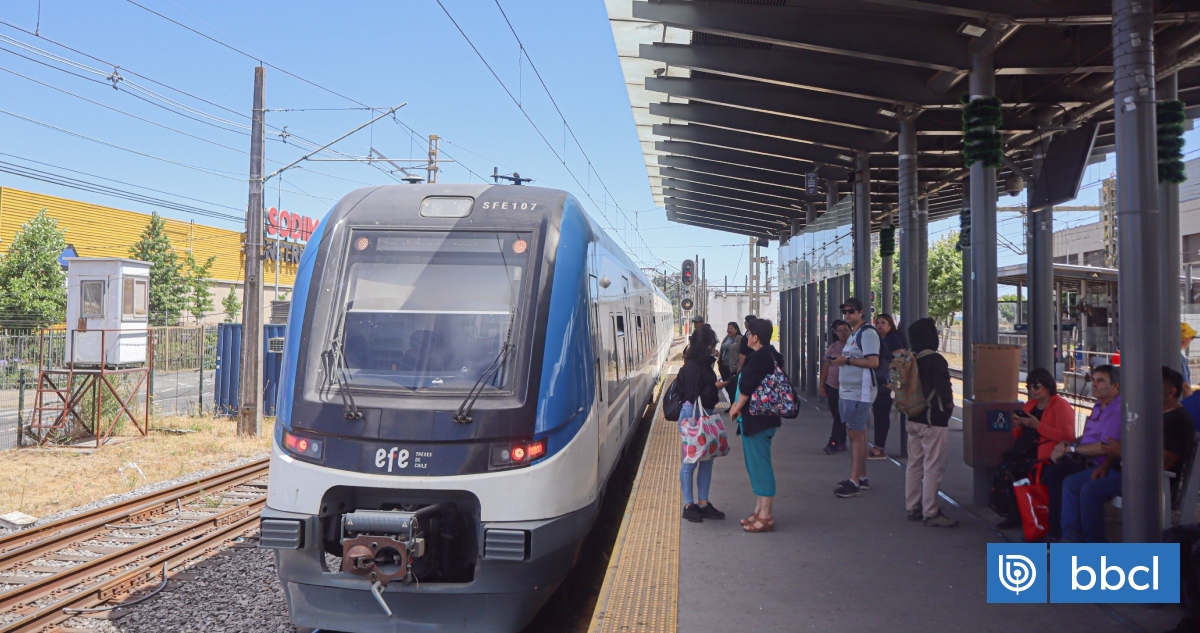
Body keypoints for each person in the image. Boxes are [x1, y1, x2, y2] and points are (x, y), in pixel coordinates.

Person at [1060, 367, 1195, 543]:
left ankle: (1095, 545)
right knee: (1071, 483)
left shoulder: (1179, 421)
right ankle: (1072, 539)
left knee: (1090, 491)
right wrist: (1105, 465)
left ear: (1171, 392)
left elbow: (1163, 462)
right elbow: (1126, 444)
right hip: (1123, 470)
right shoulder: (1152, 414)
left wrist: (1120, 452)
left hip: (1149, 480)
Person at [1042, 365, 1121, 541]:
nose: (1094, 384)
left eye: (1100, 381)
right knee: (1050, 471)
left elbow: (1103, 446)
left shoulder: (1118, 409)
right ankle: (1062, 533)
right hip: (1085, 457)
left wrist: (1072, 449)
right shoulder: (1098, 405)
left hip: (1102, 463)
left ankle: (1069, 537)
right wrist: (1068, 445)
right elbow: (1087, 437)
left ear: (1115, 386)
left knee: (1065, 479)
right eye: (1093, 380)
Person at [994, 367, 1077, 529]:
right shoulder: (1030, 405)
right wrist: (1018, 425)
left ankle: (1025, 515)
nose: (1033, 390)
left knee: (1016, 470)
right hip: (1024, 450)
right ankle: (1014, 513)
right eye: (1029, 387)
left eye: (1036, 386)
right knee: (1004, 469)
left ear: (1048, 385)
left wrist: (1038, 425)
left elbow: (1067, 437)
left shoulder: (1061, 406)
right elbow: (1019, 436)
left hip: (1045, 453)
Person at [727, 318, 783, 533]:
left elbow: (748, 385)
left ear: (756, 337)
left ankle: (766, 515)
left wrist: (736, 407)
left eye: (749, 333)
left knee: (760, 466)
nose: (746, 337)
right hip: (762, 418)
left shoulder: (760, 358)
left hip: (757, 419)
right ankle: (759, 510)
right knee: (756, 465)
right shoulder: (769, 355)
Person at [903, 318, 959, 527]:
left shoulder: (909, 359)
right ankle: (931, 512)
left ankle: (912, 507)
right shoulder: (935, 360)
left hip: (912, 419)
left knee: (914, 465)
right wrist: (948, 408)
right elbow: (944, 389)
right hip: (932, 420)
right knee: (933, 466)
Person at [830, 297, 879, 498]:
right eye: (845, 312)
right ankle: (861, 477)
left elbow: (873, 362)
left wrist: (846, 360)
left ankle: (854, 482)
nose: (848, 315)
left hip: (860, 392)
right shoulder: (855, 334)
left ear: (861, 312)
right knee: (859, 433)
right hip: (852, 391)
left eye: (851, 311)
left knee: (855, 434)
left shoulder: (867, 333)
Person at [676, 333, 725, 523]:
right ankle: (689, 505)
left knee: (707, 459)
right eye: (712, 345)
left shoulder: (702, 364)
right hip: (693, 415)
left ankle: (703, 502)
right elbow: (694, 394)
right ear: (704, 346)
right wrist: (716, 386)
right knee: (690, 460)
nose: (714, 348)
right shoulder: (693, 367)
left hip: (704, 413)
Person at [869, 313, 906, 460]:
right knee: (879, 413)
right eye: (877, 322)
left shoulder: (893, 339)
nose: (879, 325)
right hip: (879, 381)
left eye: (883, 322)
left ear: (890, 325)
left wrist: (894, 381)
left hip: (886, 383)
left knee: (881, 414)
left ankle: (879, 447)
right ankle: (878, 445)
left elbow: (900, 360)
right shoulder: (880, 339)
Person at [820, 320, 851, 455]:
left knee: (839, 415)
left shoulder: (854, 346)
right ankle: (841, 441)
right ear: (835, 333)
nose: (843, 333)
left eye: (846, 330)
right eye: (840, 331)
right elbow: (826, 366)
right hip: (832, 385)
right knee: (837, 415)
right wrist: (822, 385)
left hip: (847, 387)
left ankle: (833, 442)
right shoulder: (833, 347)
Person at [717, 322, 742, 403]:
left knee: (732, 387)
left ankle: (734, 404)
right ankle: (731, 404)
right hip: (723, 366)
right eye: (728, 328)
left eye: (731, 328)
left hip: (733, 367)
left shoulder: (740, 339)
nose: (729, 330)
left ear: (736, 330)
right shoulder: (726, 338)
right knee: (727, 387)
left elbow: (742, 353)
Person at [1183, 322, 1196, 388]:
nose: (1192, 340)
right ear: (1184, 340)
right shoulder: (1179, 359)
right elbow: (1185, 386)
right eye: (1191, 337)